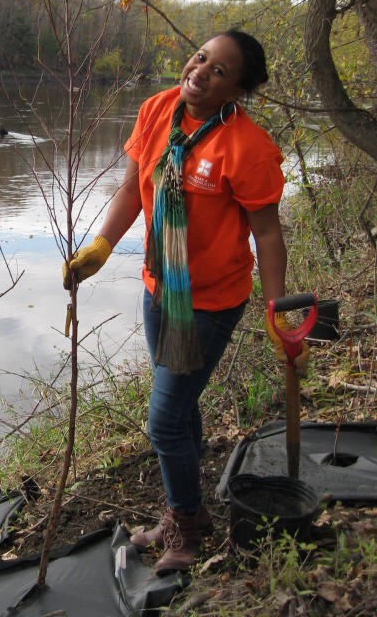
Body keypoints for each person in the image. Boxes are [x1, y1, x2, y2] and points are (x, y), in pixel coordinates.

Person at [63, 29, 308, 574]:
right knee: (181, 409)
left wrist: (277, 310)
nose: (199, 71)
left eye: (219, 70)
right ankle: (187, 506)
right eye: (200, 58)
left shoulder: (248, 148)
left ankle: (186, 525)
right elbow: (132, 188)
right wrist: (102, 245)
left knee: (165, 420)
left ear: (237, 89)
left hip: (211, 301)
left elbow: (268, 234)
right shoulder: (158, 110)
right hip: (159, 288)